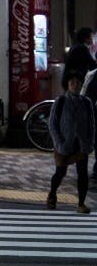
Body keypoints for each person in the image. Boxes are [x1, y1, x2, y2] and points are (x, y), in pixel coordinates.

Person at [47, 70, 95, 213]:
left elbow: (92, 125)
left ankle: (81, 203)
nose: (75, 85)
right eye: (72, 82)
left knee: (82, 174)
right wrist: (59, 142)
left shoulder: (86, 102)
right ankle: (52, 194)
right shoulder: (60, 101)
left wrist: (90, 143)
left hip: (81, 144)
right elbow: (52, 124)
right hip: (64, 144)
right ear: (67, 85)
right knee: (60, 173)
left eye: (78, 83)